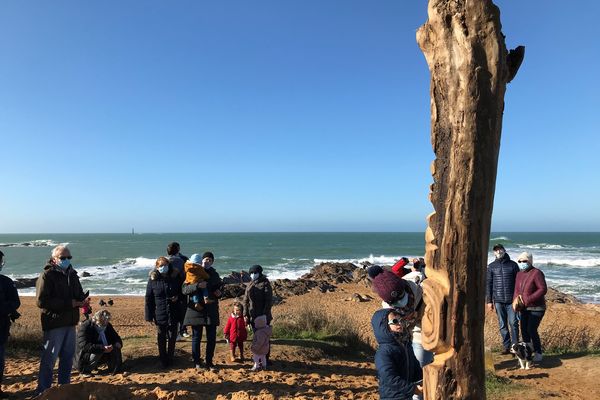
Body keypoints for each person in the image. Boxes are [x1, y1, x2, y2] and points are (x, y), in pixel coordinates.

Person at [35, 245, 88, 395]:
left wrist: (82, 301)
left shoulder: (73, 274)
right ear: (54, 259)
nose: (66, 260)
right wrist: (69, 303)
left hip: (71, 323)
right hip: (54, 324)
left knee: (67, 359)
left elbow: (78, 293)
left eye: (68, 257)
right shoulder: (47, 275)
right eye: (63, 258)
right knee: (49, 360)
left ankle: (64, 389)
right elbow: (41, 301)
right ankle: (43, 391)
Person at [369, 265, 433, 381]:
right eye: (394, 302)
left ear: (404, 286)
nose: (399, 302)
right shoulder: (387, 308)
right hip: (410, 330)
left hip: (426, 321)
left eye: (401, 296)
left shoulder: (418, 282)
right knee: (419, 364)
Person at [182, 251, 223, 371]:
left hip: (211, 310)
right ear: (201, 261)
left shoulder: (214, 274)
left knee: (211, 338)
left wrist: (219, 293)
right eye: (206, 259)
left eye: (210, 260)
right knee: (196, 337)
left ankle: (209, 362)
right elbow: (184, 290)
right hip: (196, 310)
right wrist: (197, 286)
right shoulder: (191, 272)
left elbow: (220, 289)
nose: (208, 262)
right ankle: (197, 362)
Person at [372, 308, 423, 400]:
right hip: (392, 396)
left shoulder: (406, 346)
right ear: (383, 326)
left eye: (401, 320)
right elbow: (389, 378)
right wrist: (412, 389)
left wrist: (423, 379)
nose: (399, 323)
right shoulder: (384, 352)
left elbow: (415, 367)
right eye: (394, 321)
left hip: (406, 395)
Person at [144, 256, 183, 368]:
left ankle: (170, 358)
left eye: (165, 265)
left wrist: (177, 297)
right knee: (161, 336)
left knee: (172, 336)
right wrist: (149, 316)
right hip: (160, 312)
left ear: (168, 265)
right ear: (157, 266)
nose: (163, 267)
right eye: (160, 266)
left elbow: (182, 292)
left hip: (174, 311)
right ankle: (162, 359)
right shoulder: (153, 279)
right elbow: (149, 298)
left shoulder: (175, 277)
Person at [486, 243, 520, 354]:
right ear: (494, 253)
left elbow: (519, 283)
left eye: (500, 249)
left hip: (512, 301)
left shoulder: (513, 265)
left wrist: (518, 298)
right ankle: (506, 347)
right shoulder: (491, 266)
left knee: (513, 323)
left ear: (504, 250)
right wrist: (489, 301)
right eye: (496, 250)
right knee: (502, 325)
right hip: (498, 301)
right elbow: (489, 284)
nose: (499, 252)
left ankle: (515, 347)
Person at [513, 252, 547, 363]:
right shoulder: (519, 274)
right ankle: (527, 353)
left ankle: (538, 352)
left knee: (531, 329)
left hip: (537, 307)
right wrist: (515, 302)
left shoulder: (537, 273)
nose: (522, 263)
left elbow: (542, 289)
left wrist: (528, 299)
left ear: (530, 261)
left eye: (524, 261)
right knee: (524, 331)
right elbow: (517, 290)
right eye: (520, 261)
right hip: (524, 308)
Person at [75, 310, 123, 376]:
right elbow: (85, 346)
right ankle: (85, 370)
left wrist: (118, 342)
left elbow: (115, 337)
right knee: (98, 351)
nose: (105, 324)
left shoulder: (107, 326)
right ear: (96, 320)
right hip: (83, 356)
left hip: (103, 351)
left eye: (106, 322)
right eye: (102, 322)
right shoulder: (85, 327)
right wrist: (102, 347)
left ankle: (114, 368)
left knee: (115, 347)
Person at [0, 251, 21, 399]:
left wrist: (2, 307)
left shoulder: (5, 282)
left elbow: (16, 302)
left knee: (0, 361)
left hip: (1, 328)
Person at [243, 264, 273, 363]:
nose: (253, 274)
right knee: (256, 338)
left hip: (263, 316)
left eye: (255, 273)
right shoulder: (250, 284)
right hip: (253, 315)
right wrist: (245, 314)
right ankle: (258, 358)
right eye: (251, 273)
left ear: (259, 273)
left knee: (264, 339)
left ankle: (265, 359)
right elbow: (245, 301)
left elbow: (268, 301)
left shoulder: (265, 283)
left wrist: (264, 315)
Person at [167, 242, 189, 339]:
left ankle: (182, 330)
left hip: (181, 287)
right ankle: (176, 331)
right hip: (175, 287)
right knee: (174, 310)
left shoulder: (183, 259)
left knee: (182, 309)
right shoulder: (168, 261)